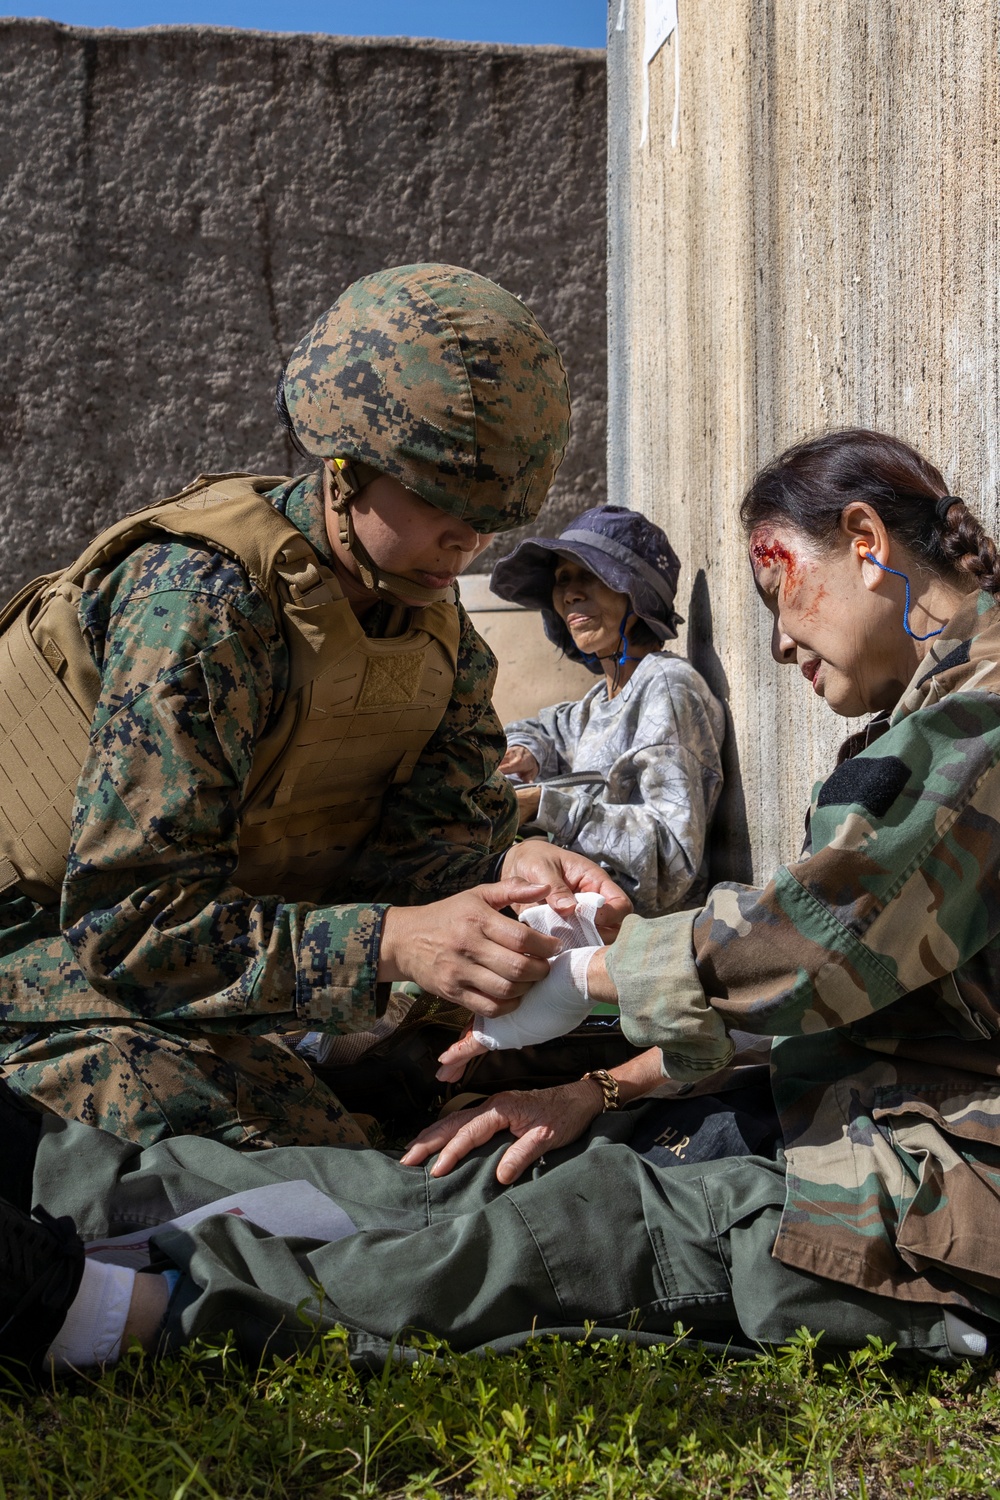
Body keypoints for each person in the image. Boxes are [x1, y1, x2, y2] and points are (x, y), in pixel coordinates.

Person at [7, 425, 1000, 1377]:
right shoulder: (932, 717)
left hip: (946, 1197)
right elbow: (827, 993)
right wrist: (600, 1085)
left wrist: (588, 974)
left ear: (865, 542)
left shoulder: (981, 716)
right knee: (476, 1176)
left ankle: (121, 1315)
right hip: (855, 1124)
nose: (779, 642)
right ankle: (51, 1175)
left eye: (781, 582)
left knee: (596, 1220)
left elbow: (818, 948)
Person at [0, 263, 628, 1151]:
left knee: (571, 1040)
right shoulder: (202, 608)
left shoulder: (435, 634)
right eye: (439, 503)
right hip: (44, 961)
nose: (466, 541)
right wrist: (392, 944)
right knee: (285, 1156)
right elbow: (130, 927)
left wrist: (522, 876)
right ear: (345, 466)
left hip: (213, 963)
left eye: (489, 516)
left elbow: (433, 864)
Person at [490, 505, 725, 917]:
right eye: (563, 579)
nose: (571, 593)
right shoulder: (598, 701)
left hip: (636, 943)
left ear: (635, 596)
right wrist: (526, 752)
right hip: (580, 924)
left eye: (590, 576)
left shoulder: (665, 686)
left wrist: (545, 804)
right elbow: (539, 730)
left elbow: (671, 858)